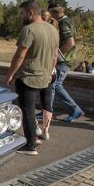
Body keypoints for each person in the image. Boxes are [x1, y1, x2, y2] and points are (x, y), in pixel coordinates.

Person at [6, 0, 59, 155]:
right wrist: (49, 72)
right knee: (41, 106)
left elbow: (19, 56)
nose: (20, 17)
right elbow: (54, 55)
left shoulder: (29, 30)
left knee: (27, 111)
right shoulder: (52, 29)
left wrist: (10, 74)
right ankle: (34, 137)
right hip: (46, 76)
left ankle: (31, 145)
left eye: (22, 13)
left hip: (28, 76)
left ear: (30, 13)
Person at [48, 2, 84, 122]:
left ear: (55, 12)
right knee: (55, 85)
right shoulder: (69, 21)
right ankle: (48, 112)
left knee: (55, 85)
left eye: (51, 14)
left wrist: (57, 54)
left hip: (63, 60)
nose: (51, 17)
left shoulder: (63, 23)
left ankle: (74, 109)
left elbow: (70, 42)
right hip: (67, 59)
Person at [37, 10, 59, 141]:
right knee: (47, 103)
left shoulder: (40, 33)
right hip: (52, 72)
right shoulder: (55, 33)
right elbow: (55, 57)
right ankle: (46, 130)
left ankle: (35, 128)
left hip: (40, 72)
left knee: (28, 101)